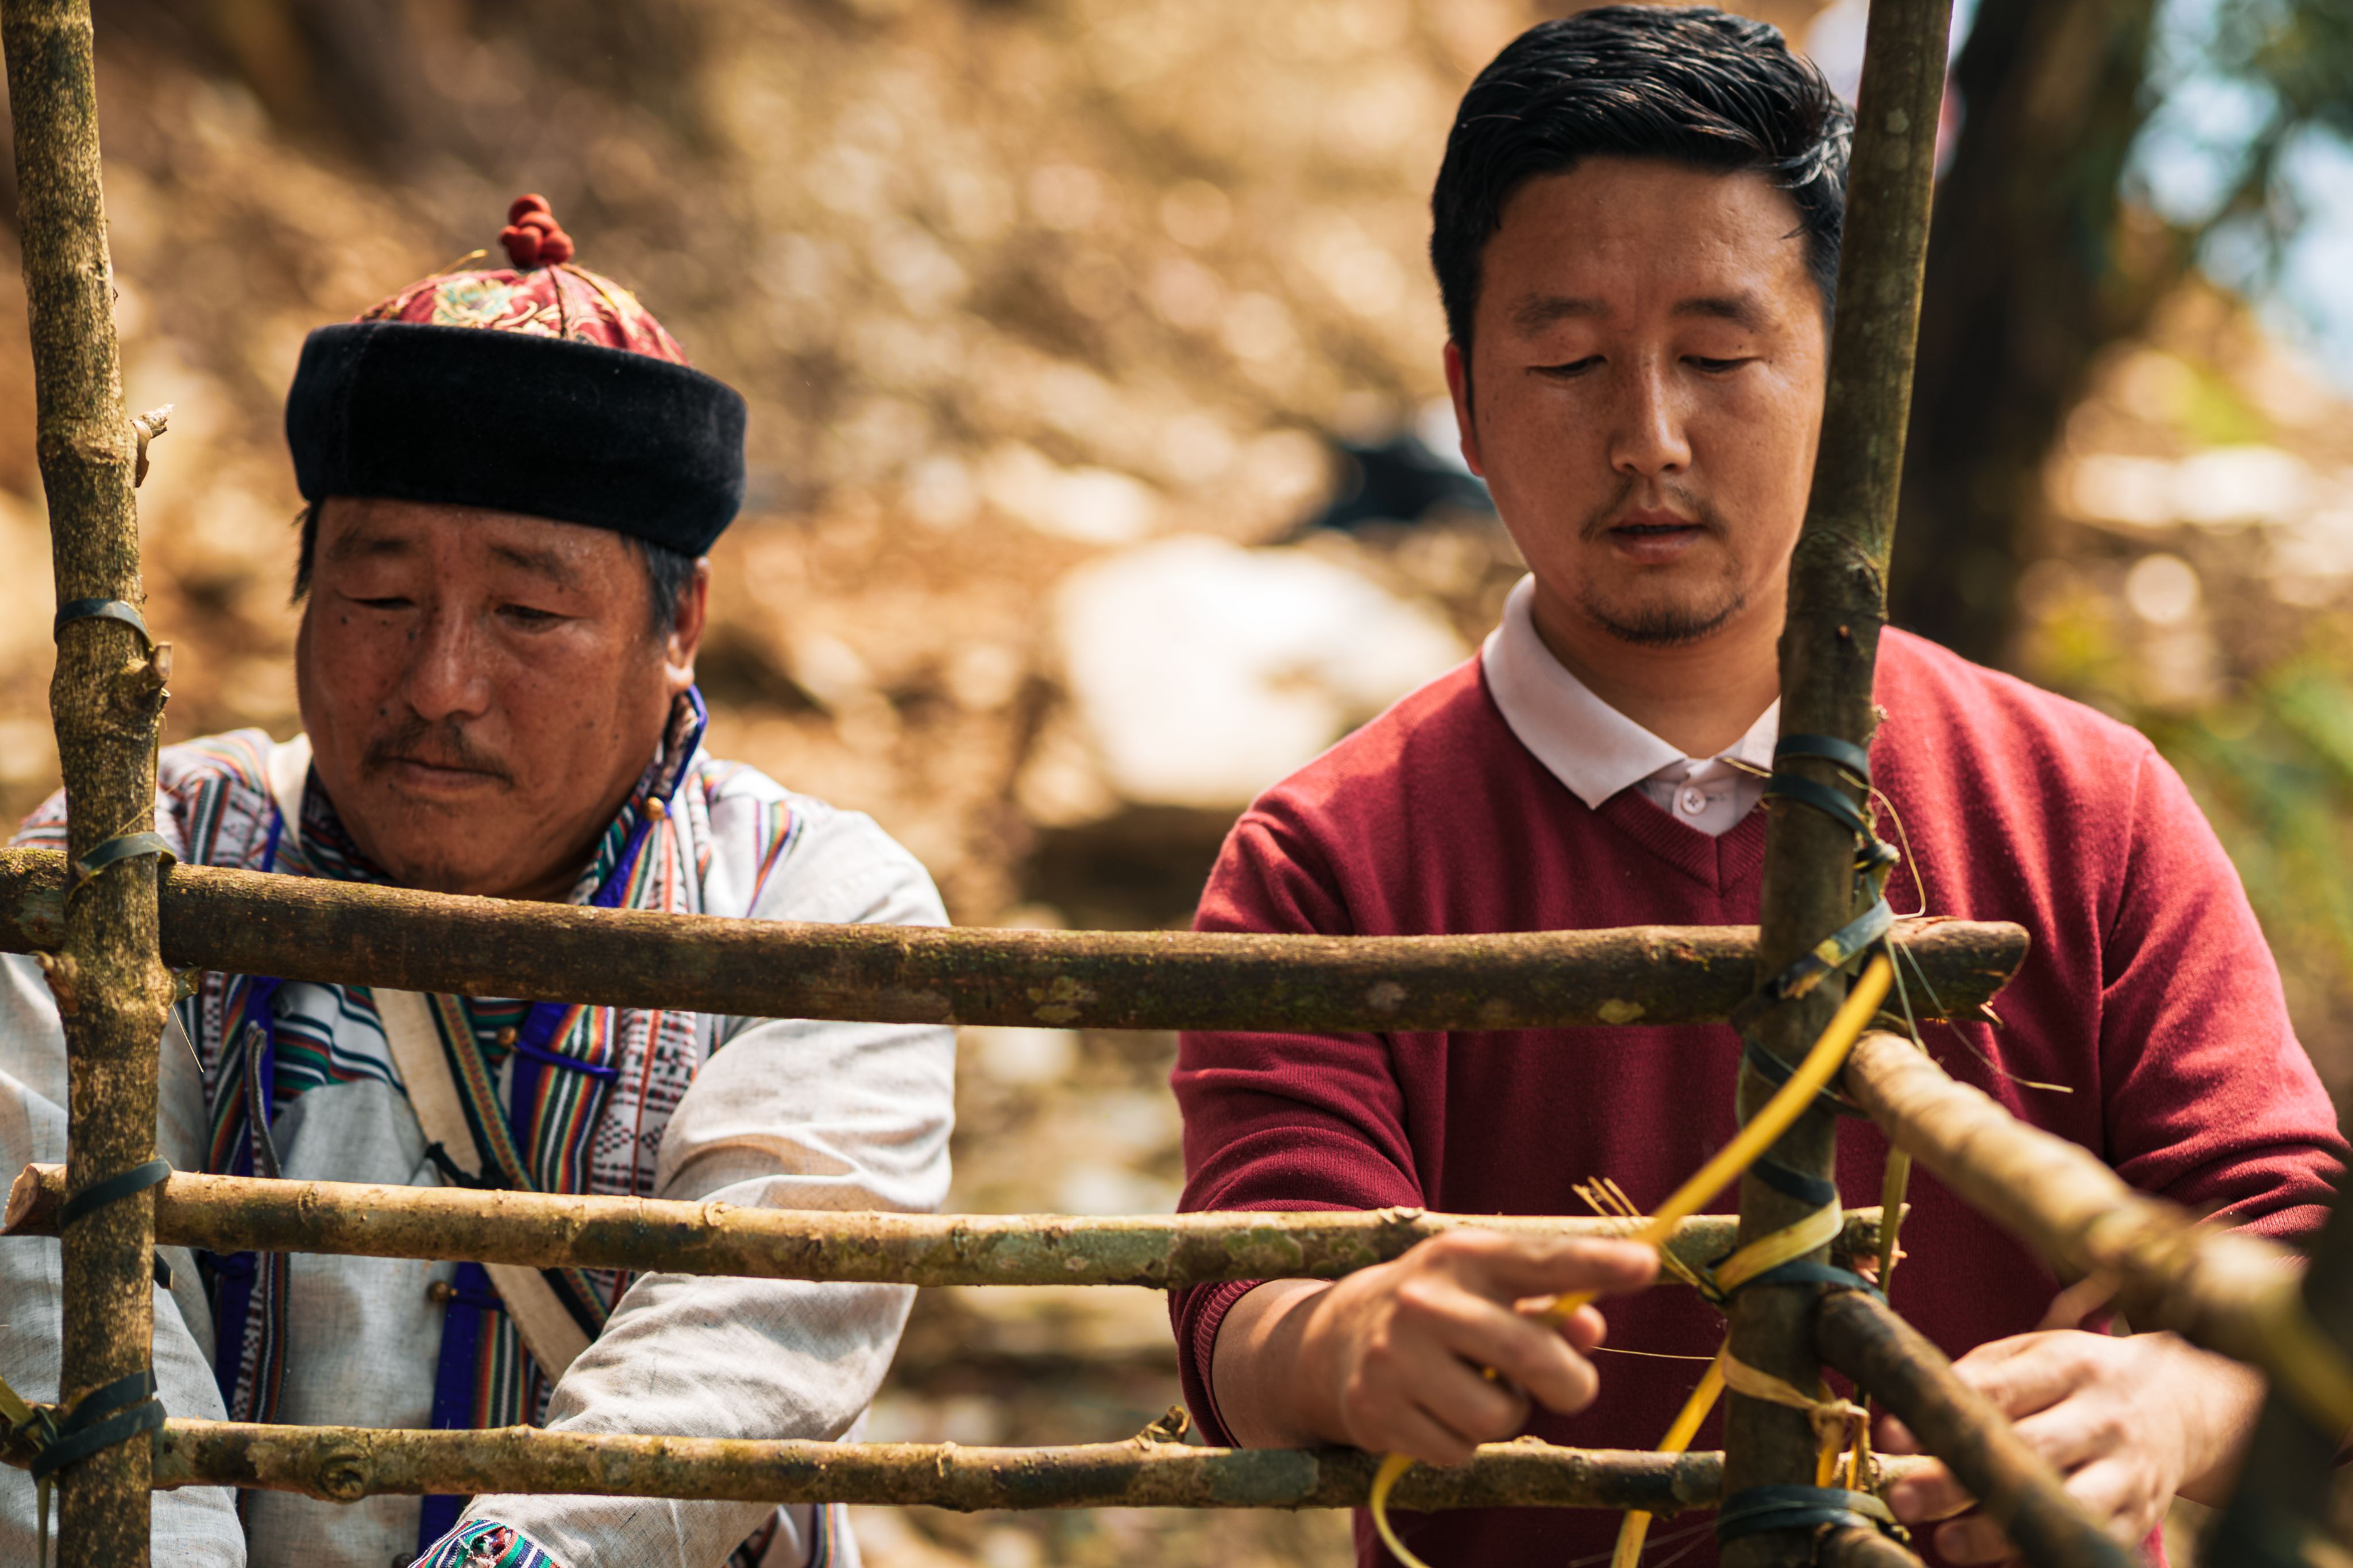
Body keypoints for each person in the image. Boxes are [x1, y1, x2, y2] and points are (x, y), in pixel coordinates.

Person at [1168, 10, 2347, 1567]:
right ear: (1464, 398)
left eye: (1720, 356)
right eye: (1570, 360)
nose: (1647, 436)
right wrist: (1342, 1340)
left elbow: (2281, 1243)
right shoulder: (1330, 860)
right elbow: (1248, 1290)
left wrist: (2169, 1403)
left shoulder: (2086, 806)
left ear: (1847, 374)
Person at [0, 197, 955, 1568]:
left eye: (527, 612)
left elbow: (754, 1342)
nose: (440, 686)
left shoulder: (818, 908)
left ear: (676, 623)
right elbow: (55, 1301)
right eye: (382, 600)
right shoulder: (133, 865)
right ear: (306, 588)